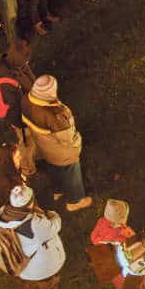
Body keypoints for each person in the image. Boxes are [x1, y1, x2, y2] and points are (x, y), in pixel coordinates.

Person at [0, 185, 72, 289]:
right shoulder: (35, 223)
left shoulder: (3, 215)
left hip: (23, 265)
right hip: (42, 267)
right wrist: (53, 214)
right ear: (30, 202)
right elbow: (54, 226)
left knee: (31, 282)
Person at [21, 75, 92, 212]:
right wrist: (77, 141)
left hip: (45, 148)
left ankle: (57, 191)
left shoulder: (26, 101)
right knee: (71, 172)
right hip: (62, 153)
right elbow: (68, 139)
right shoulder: (56, 115)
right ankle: (75, 200)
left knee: (54, 168)